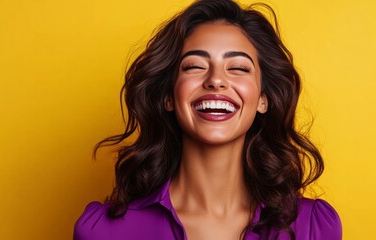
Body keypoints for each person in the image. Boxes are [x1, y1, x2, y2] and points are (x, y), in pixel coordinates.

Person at [74, 0, 342, 239]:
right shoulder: (102, 231)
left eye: (238, 68)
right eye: (195, 66)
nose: (215, 80)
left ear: (263, 99)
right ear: (168, 96)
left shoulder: (313, 227)